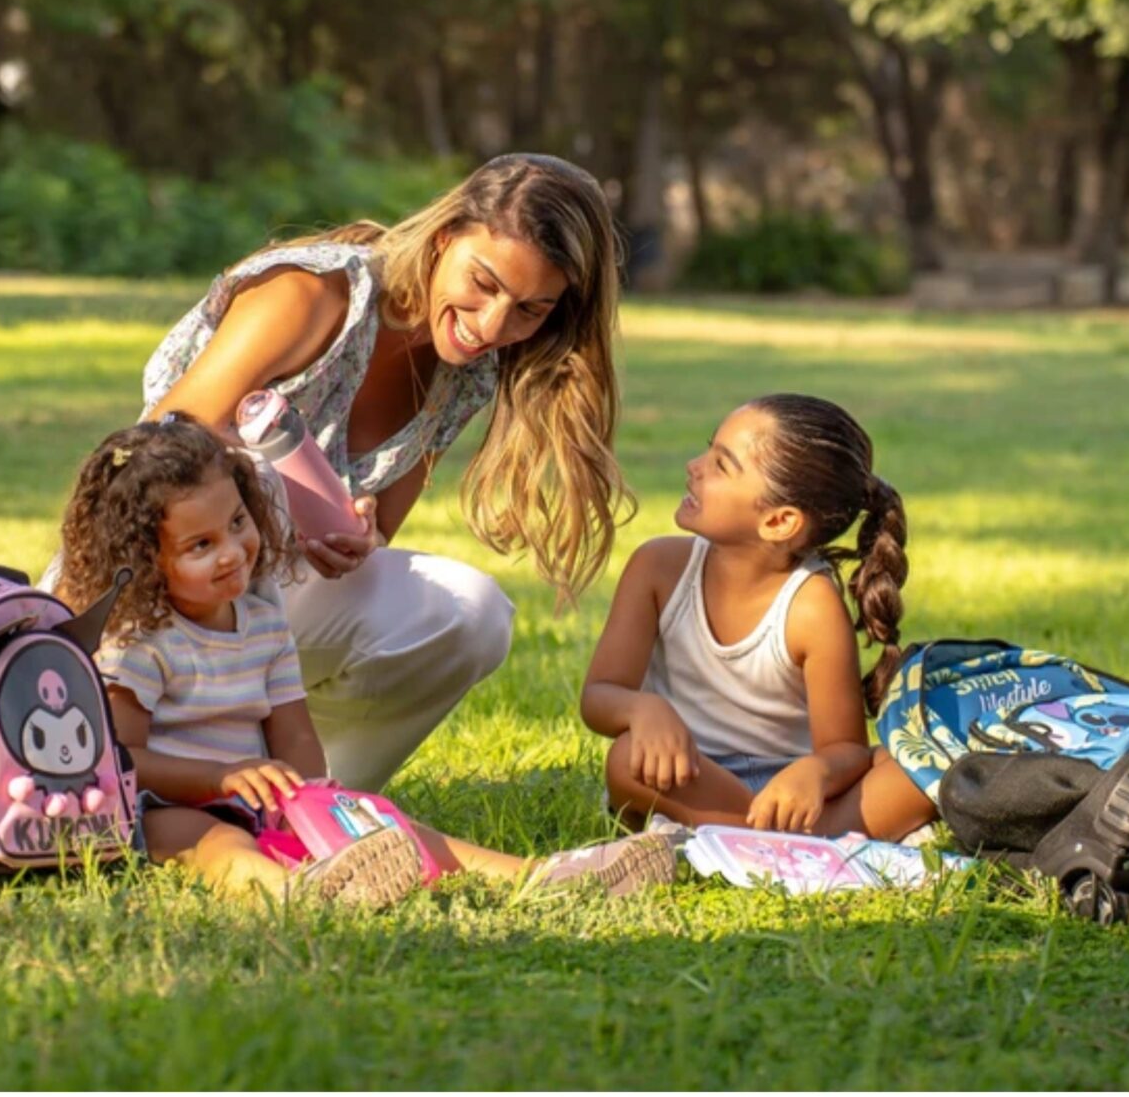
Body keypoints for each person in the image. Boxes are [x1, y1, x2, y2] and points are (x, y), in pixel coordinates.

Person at [128, 153, 632, 792]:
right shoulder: (316, 292)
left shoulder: (465, 375)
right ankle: (176, 754)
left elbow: (378, 532)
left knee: (470, 614)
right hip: (147, 589)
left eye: (530, 310)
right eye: (484, 283)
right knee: (250, 475)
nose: (493, 325)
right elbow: (157, 447)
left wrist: (356, 536)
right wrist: (283, 504)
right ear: (446, 238)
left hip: (259, 601)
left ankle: (312, 801)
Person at [55, 418, 674, 907]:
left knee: (386, 822)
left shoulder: (262, 618)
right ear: (144, 558)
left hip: (252, 793)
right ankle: (297, 895)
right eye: (199, 546)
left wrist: (311, 797)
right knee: (216, 842)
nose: (232, 553)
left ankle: (545, 877)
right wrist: (221, 778)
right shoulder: (140, 641)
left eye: (237, 523)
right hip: (161, 809)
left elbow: (292, 726)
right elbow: (123, 760)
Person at [577, 394, 937, 842]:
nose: (694, 465)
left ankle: (752, 840)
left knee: (916, 767)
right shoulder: (656, 568)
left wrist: (816, 773)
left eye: (721, 464)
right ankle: (795, 846)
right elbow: (598, 697)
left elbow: (845, 749)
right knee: (626, 759)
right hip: (688, 776)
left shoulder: (812, 606)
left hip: (794, 801)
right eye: (709, 449)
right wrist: (642, 708)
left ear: (779, 521)